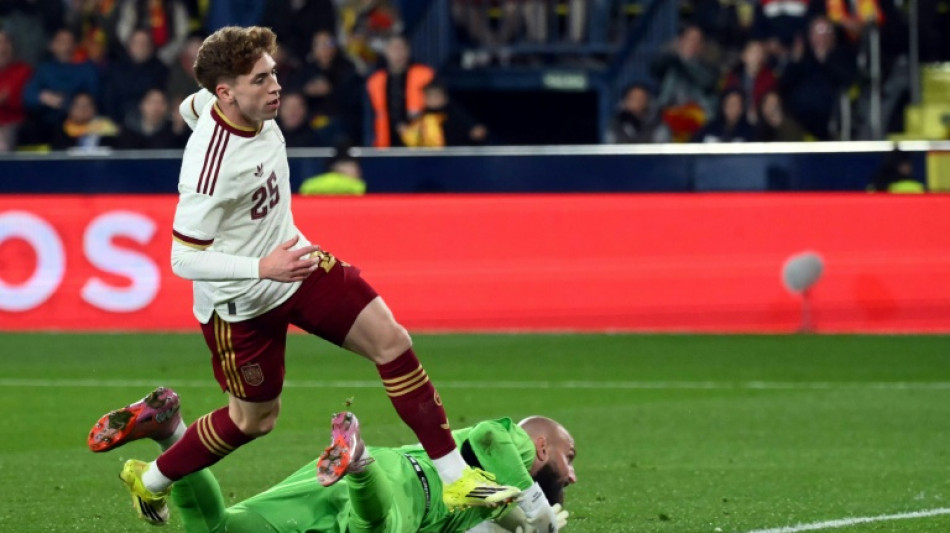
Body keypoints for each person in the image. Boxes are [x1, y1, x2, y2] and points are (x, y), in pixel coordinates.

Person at [106, 25, 519, 527]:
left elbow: (189, 107)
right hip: (240, 304)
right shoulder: (209, 169)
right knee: (253, 420)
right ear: (228, 92)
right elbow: (182, 258)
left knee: (391, 341)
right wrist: (262, 267)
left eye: (273, 73)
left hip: (298, 265)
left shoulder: (222, 104)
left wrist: (278, 263)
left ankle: (456, 478)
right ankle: (151, 479)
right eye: (260, 79)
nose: (275, 86)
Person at [89, 388, 573, 533]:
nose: (571, 474)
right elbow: (489, 435)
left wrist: (531, 524)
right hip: (401, 487)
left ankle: (168, 430)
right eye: (569, 458)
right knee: (376, 529)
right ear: (543, 447)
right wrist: (534, 503)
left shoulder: (505, 503)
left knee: (219, 530)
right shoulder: (518, 446)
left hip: (324, 481)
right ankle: (357, 459)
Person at [366, 34, 434, 147]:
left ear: (408, 51)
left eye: (401, 48)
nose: (398, 53)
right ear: (386, 52)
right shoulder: (375, 81)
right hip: (385, 145)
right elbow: (369, 117)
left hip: (420, 144)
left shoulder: (425, 75)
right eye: (393, 49)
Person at [398, 79, 487, 148]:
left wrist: (476, 133)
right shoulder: (421, 118)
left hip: (454, 159)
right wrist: (406, 134)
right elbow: (414, 141)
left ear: (445, 97)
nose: (433, 99)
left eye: (436, 96)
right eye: (429, 96)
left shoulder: (456, 114)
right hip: (428, 161)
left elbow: (474, 131)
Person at [605, 83, 671, 144]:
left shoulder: (658, 126)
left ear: (648, 101)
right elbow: (610, 147)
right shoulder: (615, 126)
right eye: (633, 98)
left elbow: (662, 150)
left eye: (641, 98)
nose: (638, 103)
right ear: (625, 101)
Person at [0, 30, 33, 151]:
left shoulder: (23, 71)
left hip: (12, 124)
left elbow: (22, 102)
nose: (3, 47)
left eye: (6, 42)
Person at [299, 150, 367, 195]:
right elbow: (360, 188)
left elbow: (305, 189)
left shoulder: (310, 183)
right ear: (339, 167)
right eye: (352, 166)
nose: (358, 171)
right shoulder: (357, 186)